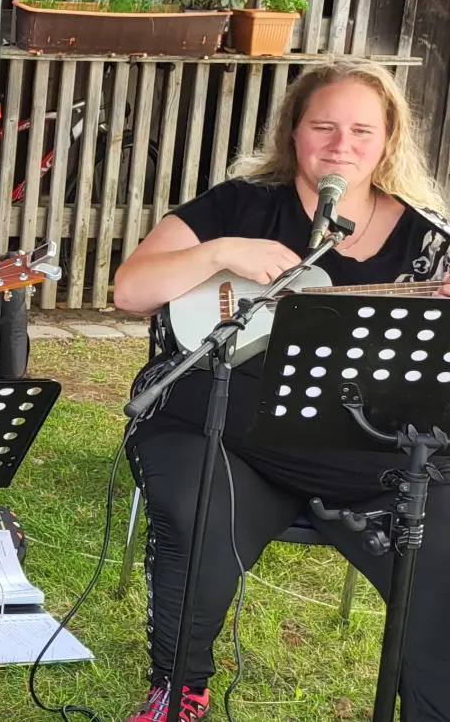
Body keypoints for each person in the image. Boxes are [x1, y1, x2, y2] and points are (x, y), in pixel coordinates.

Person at [113, 59, 450, 722]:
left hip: (369, 450)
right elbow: (130, 289)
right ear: (294, 131)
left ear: (388, 141)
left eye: (361, 130)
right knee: (196, 501)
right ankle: (179, 688)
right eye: (323, 126)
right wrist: (219, 253)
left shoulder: (429, 238)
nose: (341, 145)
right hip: (228, 429)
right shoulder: (240, 204)